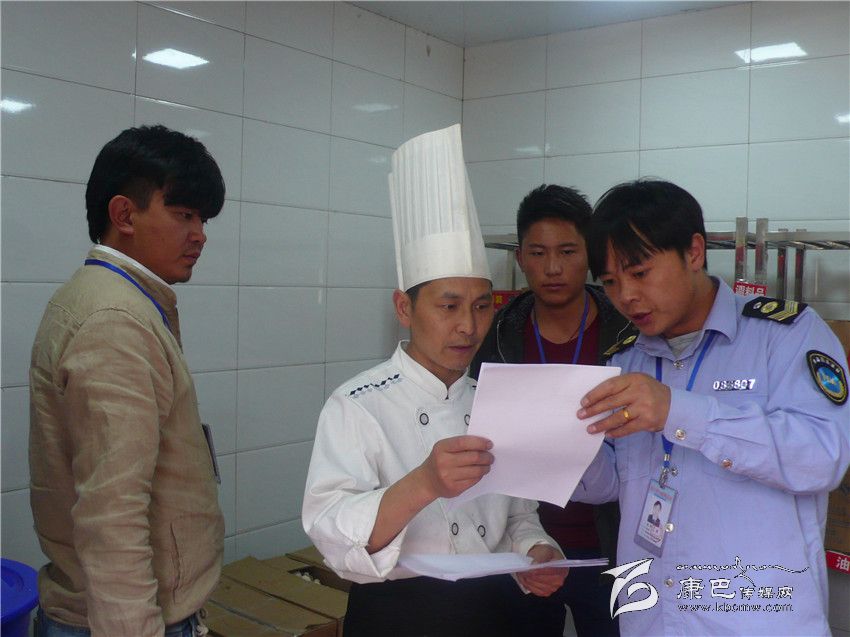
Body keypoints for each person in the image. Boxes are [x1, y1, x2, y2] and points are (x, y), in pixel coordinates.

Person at [302, 125, 567, 637]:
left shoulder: (496, 400)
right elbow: (331, 533)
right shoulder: (356, 405)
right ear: (404, 308)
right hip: (398, 616)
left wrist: (537, 550)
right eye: (448, 306)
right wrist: (423, 483)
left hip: (495, 615)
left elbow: (520, 517)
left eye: (481, 306)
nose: (468, 326)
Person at [573, 179, 850, 635]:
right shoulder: (626, 359)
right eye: (610, 282)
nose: (626, 296)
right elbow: (612, 482)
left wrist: (678, 412)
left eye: (639, 273)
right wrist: (555, 450)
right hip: (653, 621)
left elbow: (823, 457)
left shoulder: (785, 335)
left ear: (694, 251)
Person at [29, 125, 226, 637]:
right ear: (124, 215)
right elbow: (112, 516)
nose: (200, 234)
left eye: (203, 219)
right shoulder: (116, 322)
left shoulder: (108, 299)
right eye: (184, 214)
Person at [471, 184, 627, 636]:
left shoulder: (628, 331)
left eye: (567, 251)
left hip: (611, 544)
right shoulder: (497, 335)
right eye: (538, 253)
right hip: (523, 547)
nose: (553, 268)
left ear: (590, 253)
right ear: (521, 257)